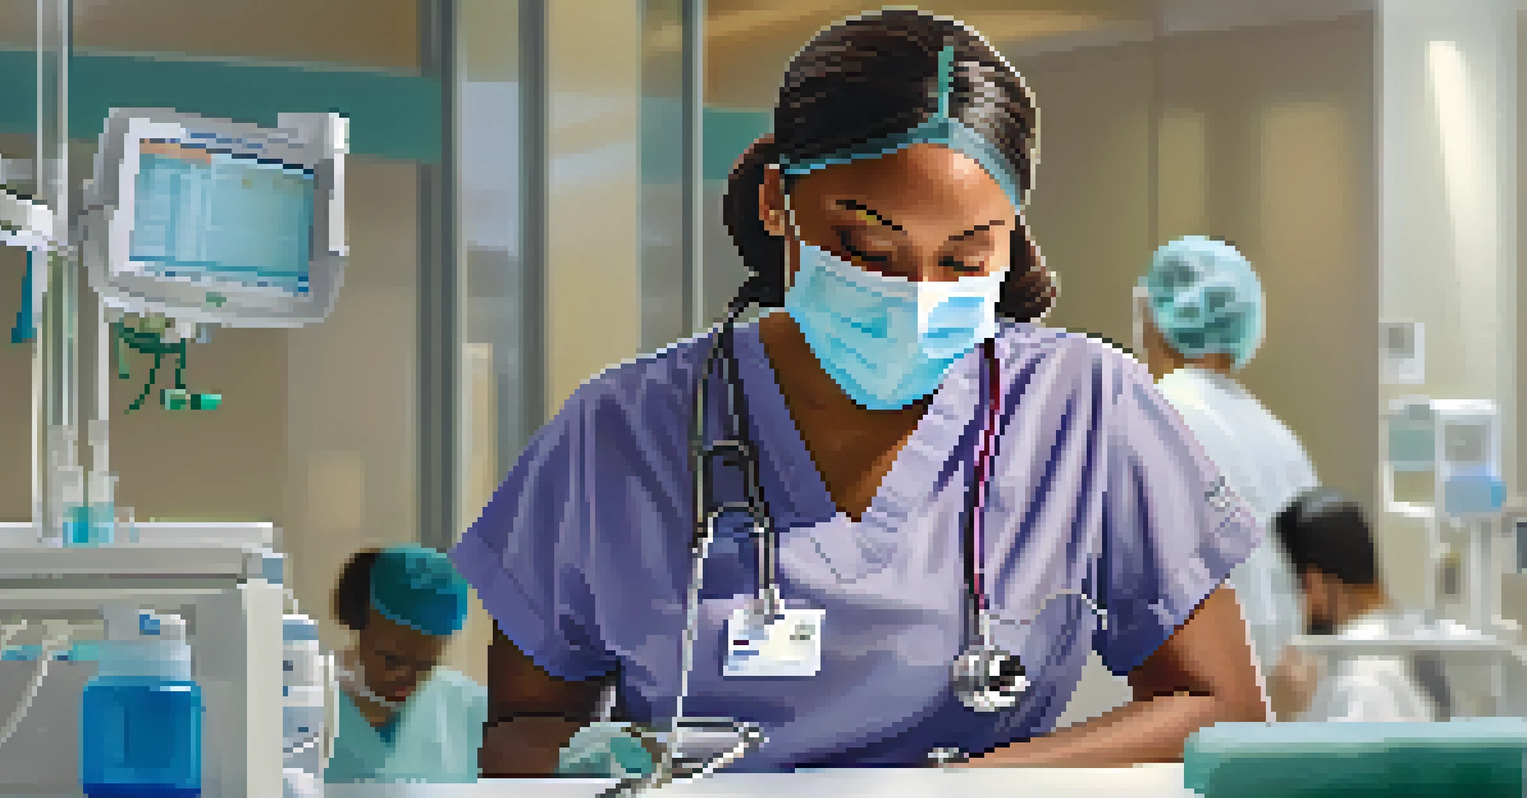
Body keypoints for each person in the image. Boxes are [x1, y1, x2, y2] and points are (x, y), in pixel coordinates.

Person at [454, 9, 1266, 776]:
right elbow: (519, 728)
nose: (915, 292)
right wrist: (593, 763)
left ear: (1011, 240)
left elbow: (1218, 705)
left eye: (963, 259)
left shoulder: (1084, 406)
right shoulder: (626, 430)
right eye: (868, 247)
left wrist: (970, 789)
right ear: (778, 202)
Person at [1137, 235, 1320, 712]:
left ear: (1155, 321)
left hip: (1194, 703)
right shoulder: (1279, 437)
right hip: (1281, 702)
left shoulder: (1153, 416)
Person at [1267, 489, 1444, 722]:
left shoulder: (1362, 679)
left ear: (1314, 586)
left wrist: (1277, 713)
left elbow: (1341, 759)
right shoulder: (1411, 636)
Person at [323, 545, 488, 783]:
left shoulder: (468, 710)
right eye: (392, 660)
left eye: (426, 666)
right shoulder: (303, 701)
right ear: (358, 624)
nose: (409, 678)